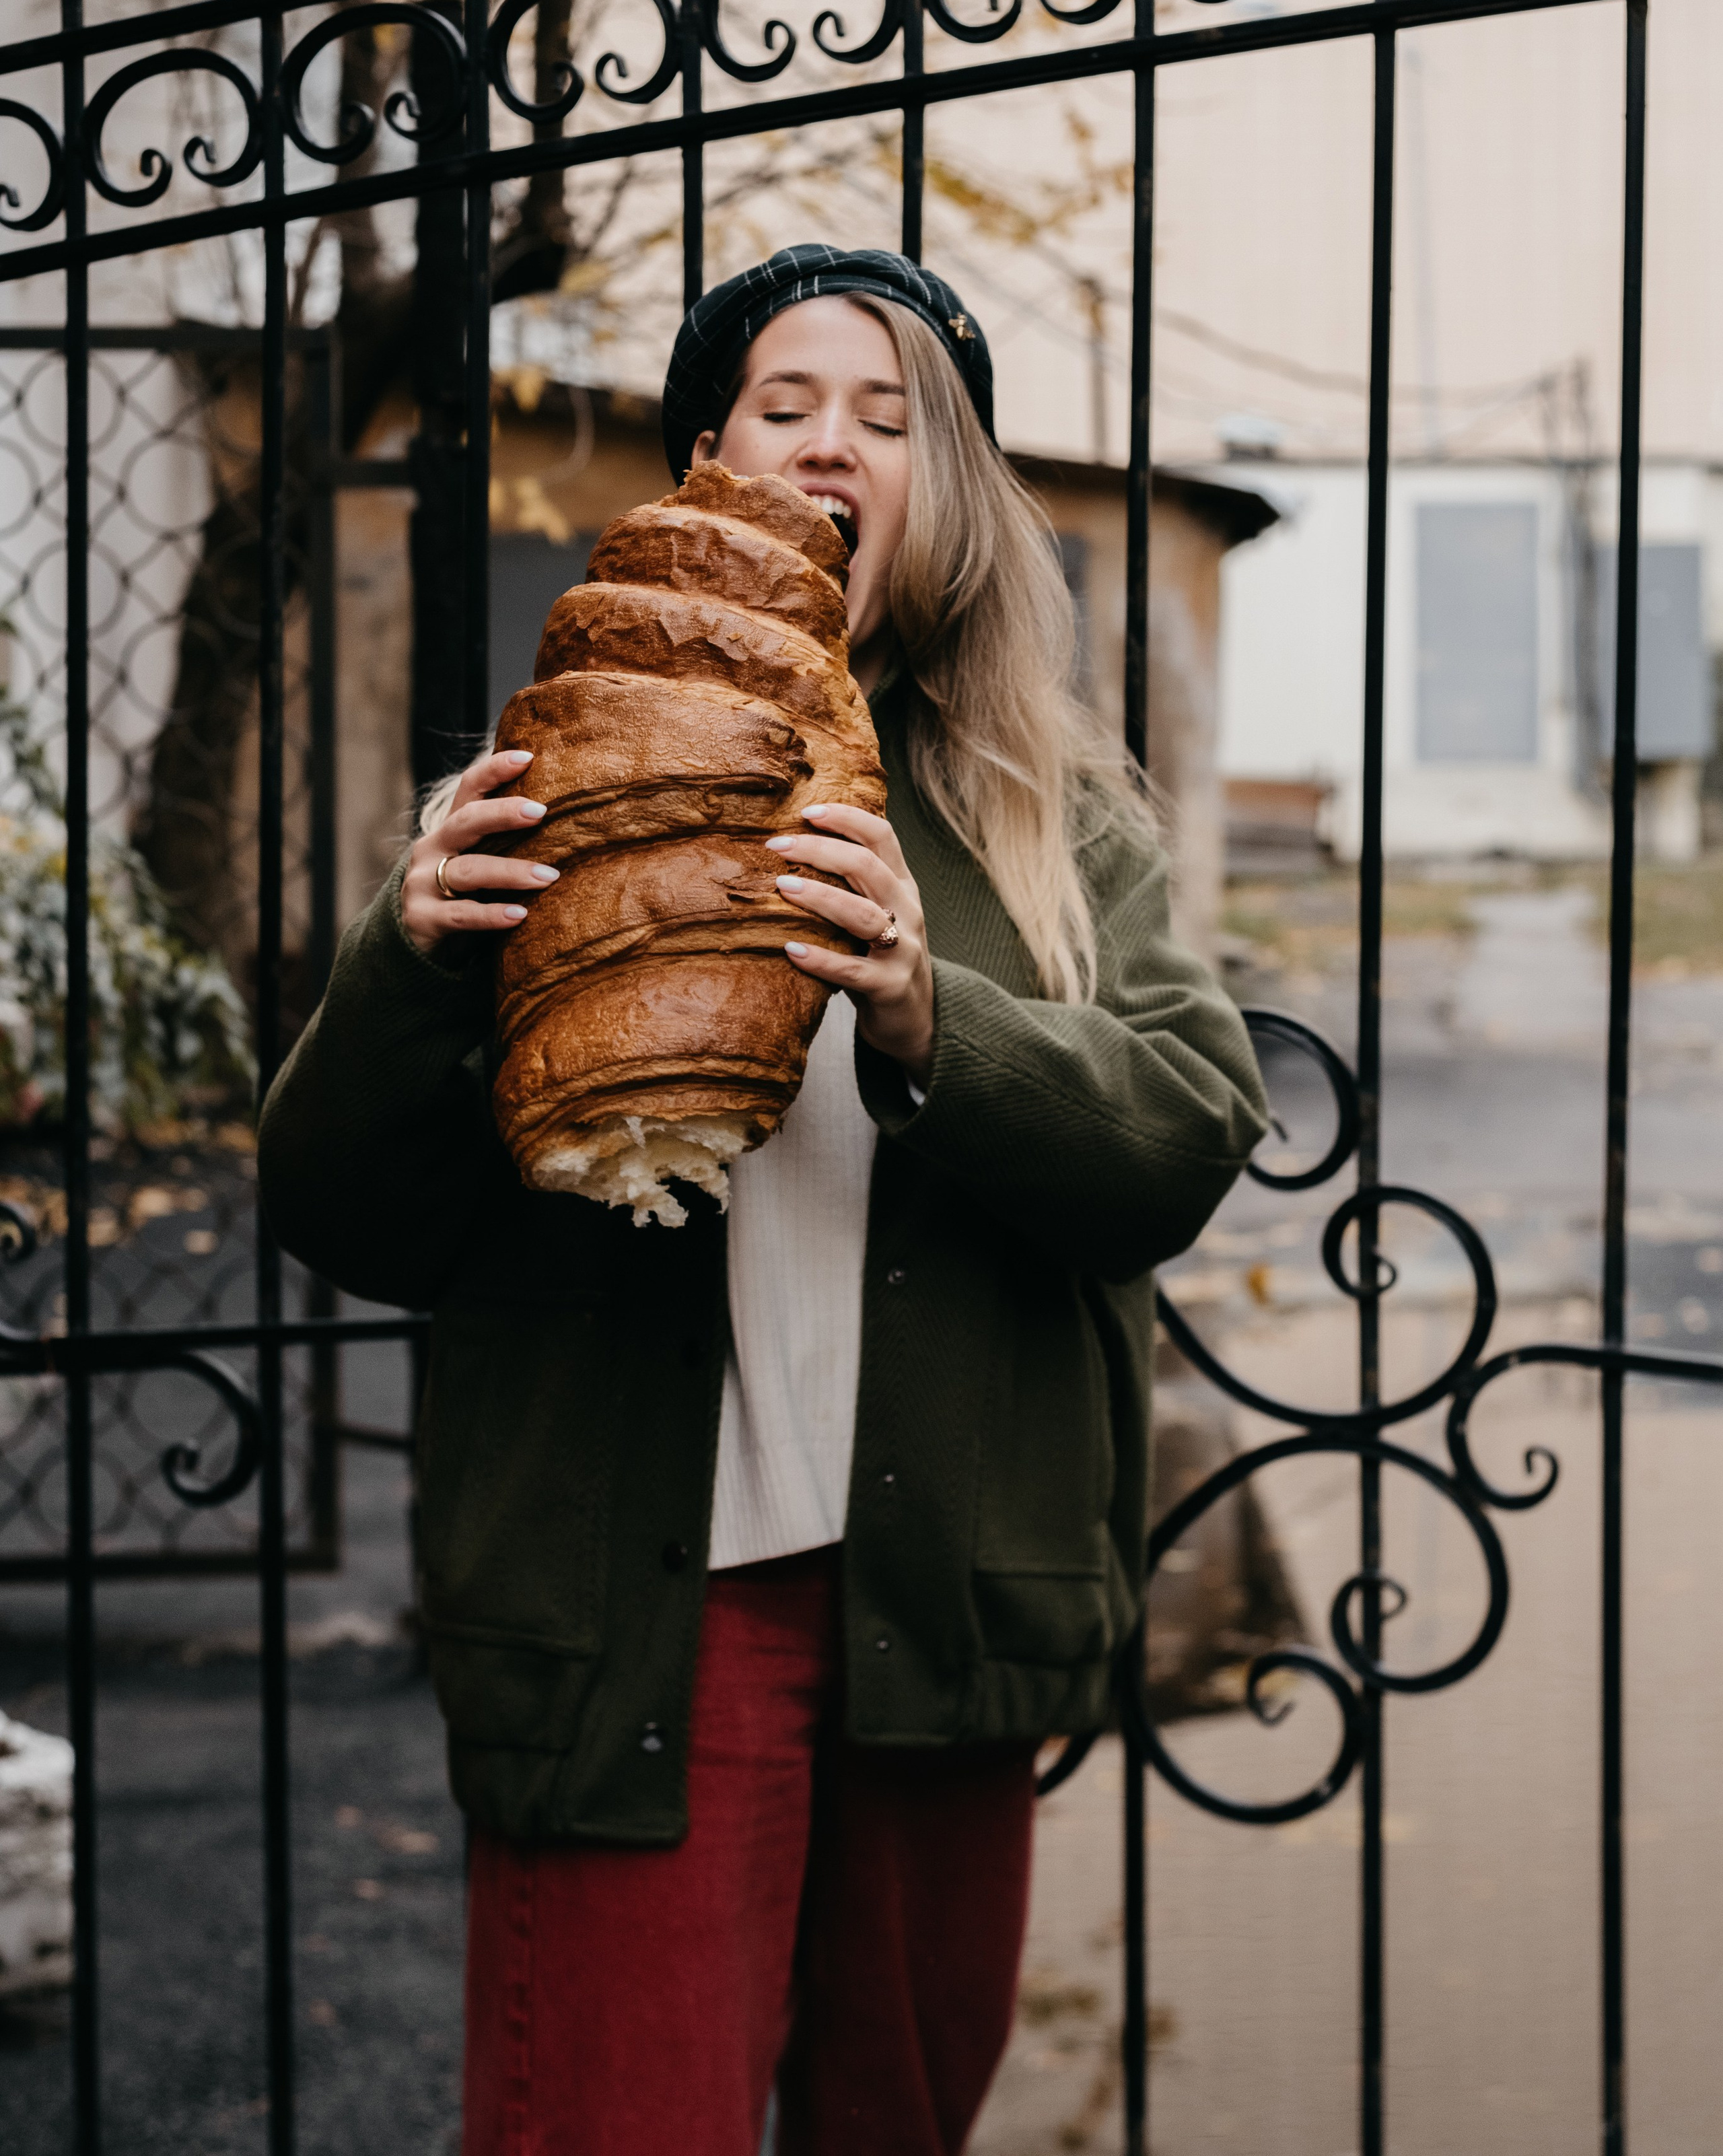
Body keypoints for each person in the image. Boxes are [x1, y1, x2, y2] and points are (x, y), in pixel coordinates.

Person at [258, 243, 1267, 2156]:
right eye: (785, 404)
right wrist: (404, 964)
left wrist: (927, 1008)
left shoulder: (1051, 809)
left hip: (940, 1614)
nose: (834, 441)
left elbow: (1185, 1130)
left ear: (949, 491)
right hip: (643, 1616)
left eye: (891, 418)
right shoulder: (550, 777)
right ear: (708, 461)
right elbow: (346, 1209)